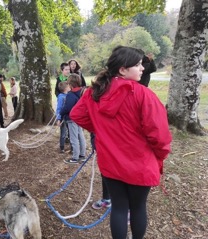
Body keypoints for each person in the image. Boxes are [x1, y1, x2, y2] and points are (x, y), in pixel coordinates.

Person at [70, 46, 172, 239]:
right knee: (138, 208)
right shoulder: (143, 94)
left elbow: (78, 114)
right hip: (140, 163)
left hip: (111, 163)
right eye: (138, 64)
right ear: (122, 69)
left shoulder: (95, 92)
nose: (142, 68)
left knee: (118, 208)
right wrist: (161, 153)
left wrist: (101, 129)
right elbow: (160, 135)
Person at [60, 73, 86, 164]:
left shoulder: (71, 95)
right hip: (80, 119)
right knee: (80, 136)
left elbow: (67, 107)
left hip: (72, 119)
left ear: (70, 84)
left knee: (74, 138)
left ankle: (75, 157)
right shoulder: (82, 92)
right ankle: (82, 155)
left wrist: (61, 113)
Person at [90, 133, 111, 209]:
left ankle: (129, 209)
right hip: (105, 147)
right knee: (105, 173)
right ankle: (107, 199)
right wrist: (95, 145)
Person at [56, 81, 70, 153]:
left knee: (69, 132)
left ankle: (71, 147)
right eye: (68, 86)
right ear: (65, 88)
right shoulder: (61, 97)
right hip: (62, 118)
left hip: (68, 118)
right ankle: (62, 147)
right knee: (63, 133)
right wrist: (58, 119)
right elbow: (59, 108)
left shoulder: (69, 95)